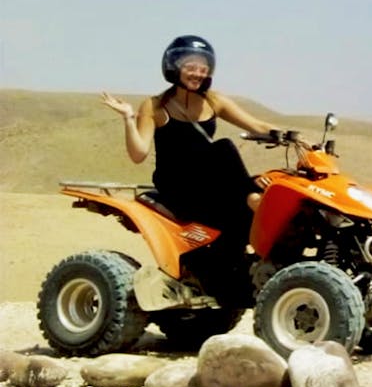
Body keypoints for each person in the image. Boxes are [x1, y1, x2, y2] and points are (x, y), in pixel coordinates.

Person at [100, 35, 275, 300]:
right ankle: (253, 199)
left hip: (208, 184)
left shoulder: (214, 101)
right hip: (176, 186)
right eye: (191, 67)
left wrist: (294, 138)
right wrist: (128, 118)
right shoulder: (156, 105)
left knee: (248, 209)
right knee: (224, 147)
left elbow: (258, 126)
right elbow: (138, 153)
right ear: (174, 66)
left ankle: (236, 277)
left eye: (203, 68)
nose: (198, 73)